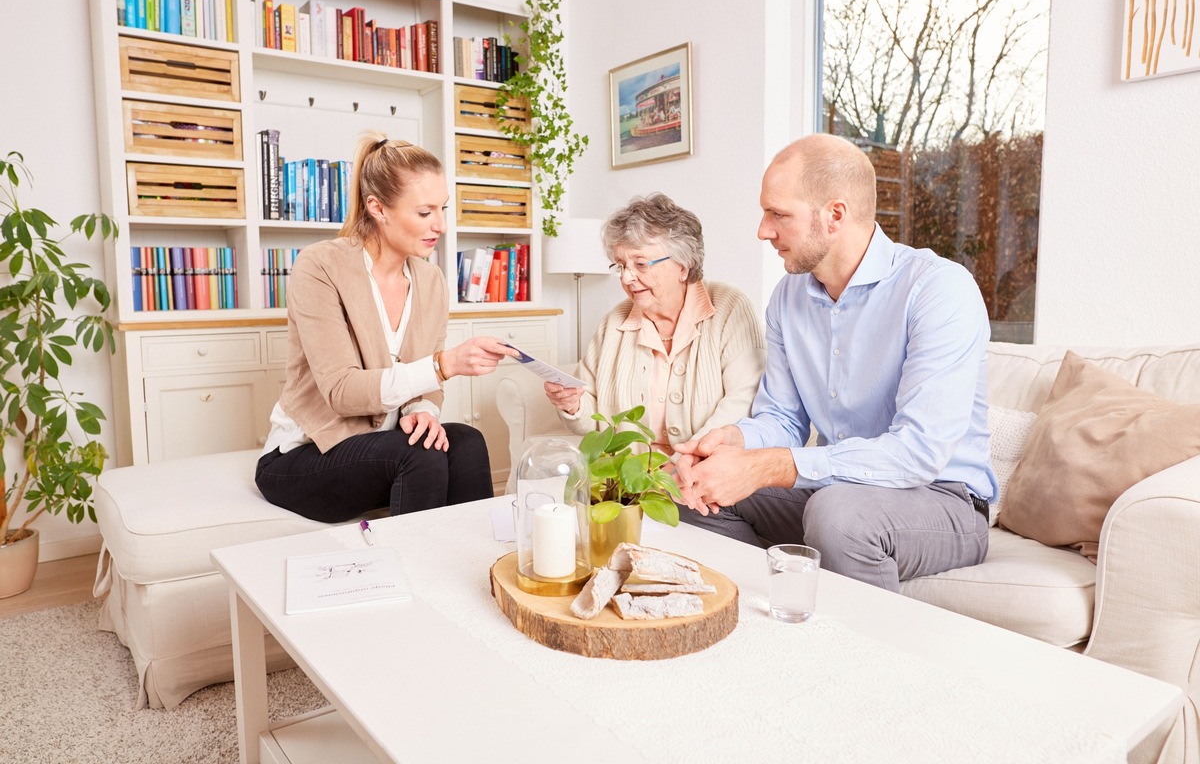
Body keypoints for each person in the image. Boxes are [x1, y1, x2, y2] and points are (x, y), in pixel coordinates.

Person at [673, 134, 997, 592]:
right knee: (691, 492)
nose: (763, 231)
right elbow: (783, 419)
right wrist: (732, 442)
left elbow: (918, 454)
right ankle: (756, 623)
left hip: (943, 499)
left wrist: (767, 467)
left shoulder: (939, 289)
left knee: (838, 515)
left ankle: (859, 660)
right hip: (835, 488)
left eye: (778, 214)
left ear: (835, 215)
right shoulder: (788, 297)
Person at [255, 134, 516, 523]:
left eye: (442, 209)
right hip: (305, 455)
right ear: (378, 208)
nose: (441, 225)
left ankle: (479, 571)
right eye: (426, 213)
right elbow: (342, 392)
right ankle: (411, 580)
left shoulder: (431, 281)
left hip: (384, 448)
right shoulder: (320, 267)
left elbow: (424, 385)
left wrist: (424, 410)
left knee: (466, 442)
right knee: (419, 455)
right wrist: (444, 364)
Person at [543, 193, 765, 456]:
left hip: (708, 468)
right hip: (628, 478)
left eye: (640, 264)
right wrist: (572, 405)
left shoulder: (729, 308)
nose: (627, 277)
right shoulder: (614, 323)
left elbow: (744, 400)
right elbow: (594, 419)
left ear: (684, 265)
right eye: (621, 265)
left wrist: (688, 459)